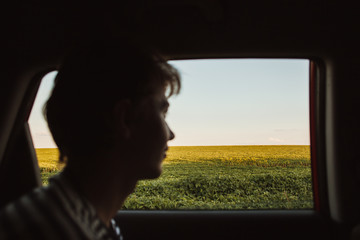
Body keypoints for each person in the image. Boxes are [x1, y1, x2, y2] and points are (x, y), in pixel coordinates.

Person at [0, 38, 181, 239]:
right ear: (124, 119)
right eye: (162, 113)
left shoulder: (73, 213)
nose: (170, 134)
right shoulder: (59, 231)